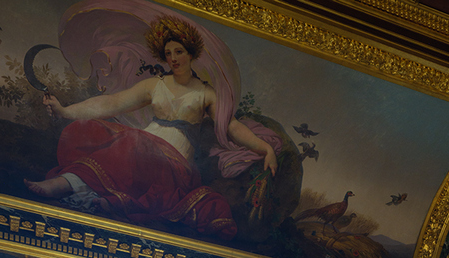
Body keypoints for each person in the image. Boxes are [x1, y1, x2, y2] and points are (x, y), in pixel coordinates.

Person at [24, 13, 278, 238]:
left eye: (179, 51)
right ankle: (72, 184)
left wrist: (265, 148)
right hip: (139, 149)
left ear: (191, 53)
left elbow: (231, 127)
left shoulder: (206, 93)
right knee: (114, 137)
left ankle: (72, 186)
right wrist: (65, 111)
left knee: (133, 142)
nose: (173, 58)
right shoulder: (155, 85)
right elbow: (111, 103)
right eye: (168, 53)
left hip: (174, 164)